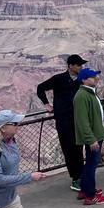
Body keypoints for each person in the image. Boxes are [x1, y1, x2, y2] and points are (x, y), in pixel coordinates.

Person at [35, 54, 87, 192]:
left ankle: (81, 175)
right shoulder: (58, 79)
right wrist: (47, 104)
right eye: (79, 65)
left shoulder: (81, 80)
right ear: (70, 66)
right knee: (68, 149)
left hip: (78, 120)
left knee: (78, 148)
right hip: (63, 121)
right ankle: (75, 178)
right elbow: (40, 88)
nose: (81, 67)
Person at [73, 68, 104, 205]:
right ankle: (90, 196)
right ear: (84, 80)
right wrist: (91, 139)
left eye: (96, 77)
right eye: (92, 77)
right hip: (93, 137)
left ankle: (84, 189)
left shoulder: (89, 93)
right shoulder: (82, 96)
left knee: (89, 163)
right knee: (91, 165)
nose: (96, 79)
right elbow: (82, 121)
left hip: (96, 135)